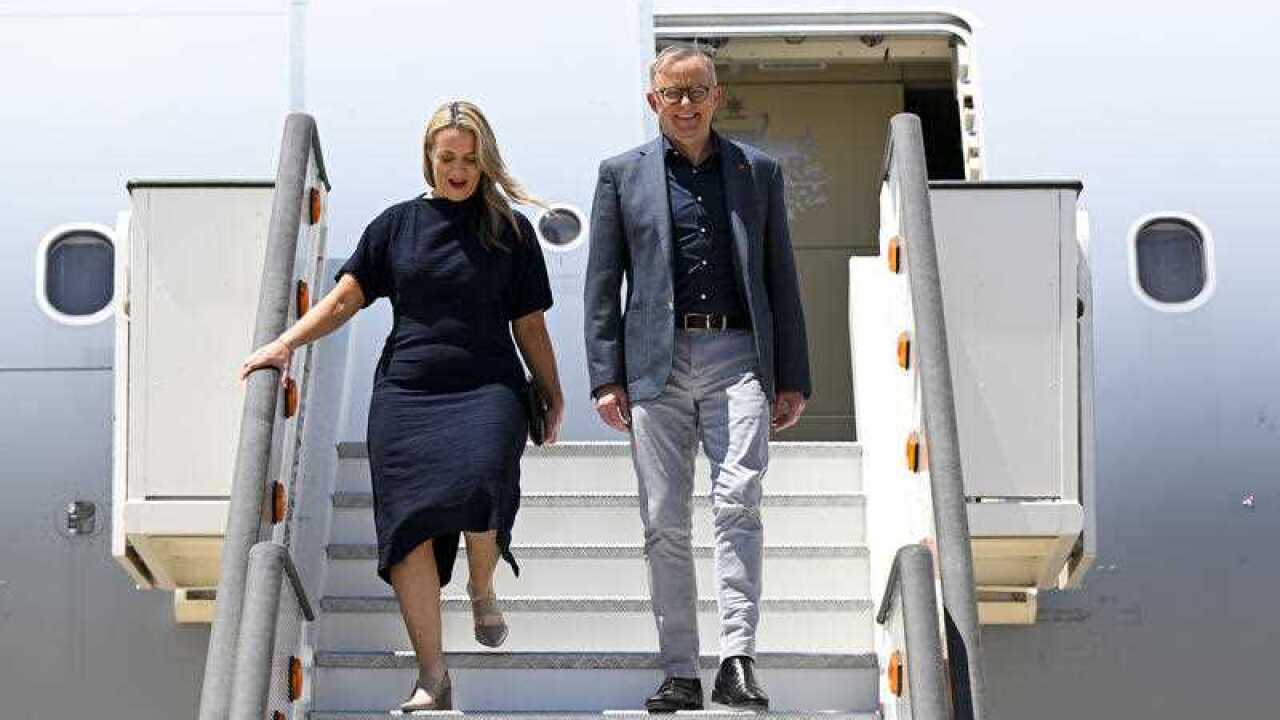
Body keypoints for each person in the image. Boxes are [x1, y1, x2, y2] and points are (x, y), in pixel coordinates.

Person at [240, 100, 564, 712]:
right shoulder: (397, 226)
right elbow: (344, 300)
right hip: (408, 394)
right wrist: (284, 344)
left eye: (470, 159)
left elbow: (530, 323)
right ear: (429, 159)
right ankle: (433, 677)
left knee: (482, 488)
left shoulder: (511, 231)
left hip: (488, 387)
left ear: (486, 162)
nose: (459, 170)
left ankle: (481, 585)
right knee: (409, 528)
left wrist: (552, 390)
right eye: (448, 158)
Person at [583, 44, 812, 712]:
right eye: (672, 93)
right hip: (655, 364)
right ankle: (680, 670)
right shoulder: (620, 174)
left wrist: (792, 375)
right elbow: (602, 283)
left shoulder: (757, 171)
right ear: (653, 100)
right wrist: (605, 377)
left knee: (738, 499)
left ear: (717, 95)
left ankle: (737, 660)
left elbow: (780, 275)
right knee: (664, 519)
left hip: (738, 356)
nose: (685, 105)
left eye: (697, 92)